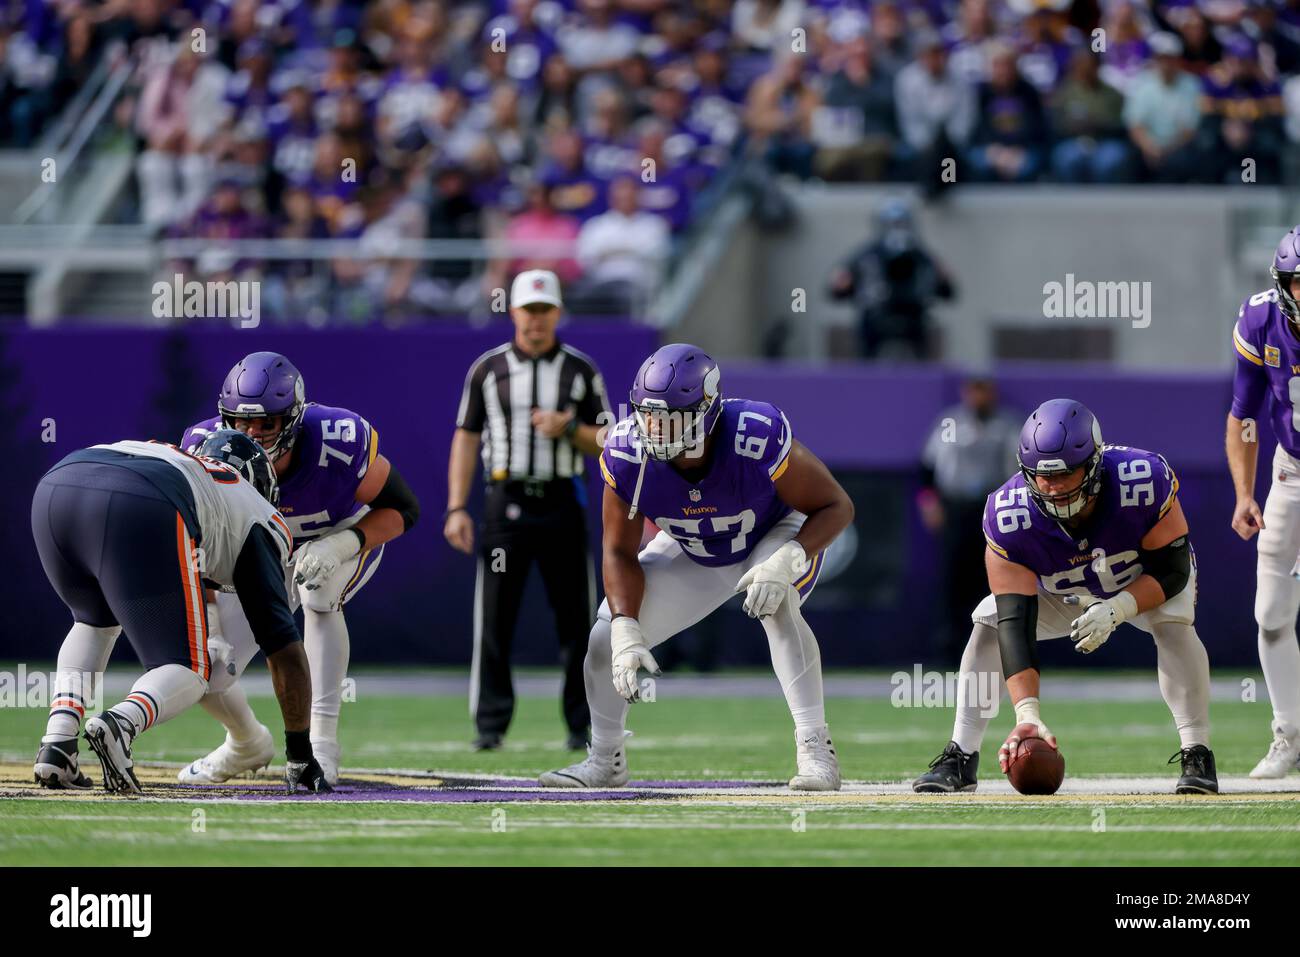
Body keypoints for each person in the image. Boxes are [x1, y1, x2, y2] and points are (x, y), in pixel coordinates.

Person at [539, 343, 855, 791]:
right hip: (696, 549)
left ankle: (816, 751)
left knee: (775, 601)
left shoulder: (753, 434)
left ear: (707, 410)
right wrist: (628, 625)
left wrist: (788, 557)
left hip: (773, 532)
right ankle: (605, 758)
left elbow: (835, 505)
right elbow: (618, 552)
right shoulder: (628, 453)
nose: (656, 428)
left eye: (670, 418)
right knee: (605, 637)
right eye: (649, 415)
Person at [912, 399, 1217, 795]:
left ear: (1094, 463)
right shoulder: (1009, 515)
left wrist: (1118, 608)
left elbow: (1172, 571)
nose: (1052, 487)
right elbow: (1015, 620)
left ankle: (1197, 751)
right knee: (987, 625)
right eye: (1041, 476)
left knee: (1174, 627)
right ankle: (962, 755)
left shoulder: (1143, 479)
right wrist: (1027, 714)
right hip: (1065, 589)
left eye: (1065, 474)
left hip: (1141, 580)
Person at [31, 431, 330, 794]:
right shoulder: (258, 513)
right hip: (146, 497)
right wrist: (300, 753)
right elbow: (284, 649)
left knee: (93, 622)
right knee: (190, 668)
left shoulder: (185, 466)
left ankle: (58, 743)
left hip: (60, 482)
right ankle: (121, 723)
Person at [176, 352, 420, 786]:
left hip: (339, 539)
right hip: (263, 553)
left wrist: (341, 543)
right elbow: (201, 545)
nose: (251, 434)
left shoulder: (338, 441)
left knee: (319, 591)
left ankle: (322, 743)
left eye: (266, 423)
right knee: (203, 666)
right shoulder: (206, 449)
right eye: (240, 422)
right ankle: (244, 742)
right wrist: (211, 621)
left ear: (291, 418)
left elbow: (403, 509)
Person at [446, 269, 610, 750]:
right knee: (494, 618)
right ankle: (489, 726)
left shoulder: (581, 370)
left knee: (577, 621)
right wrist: (457, 506)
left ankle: (583, 725)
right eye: (528, 310)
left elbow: (608, 440)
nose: (536, 320)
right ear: (513, 311)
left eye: (545, 310)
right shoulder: (487, 368)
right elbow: (466, 437)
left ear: (557, 312)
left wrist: (569, 428)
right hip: (506, 502)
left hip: (562, 500)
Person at [1225, 225, 1300, 777]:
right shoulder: (1260, 319)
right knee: (1271, 613)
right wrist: (1244, 494)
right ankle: (1290, 734)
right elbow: (1244, 416)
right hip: (1292, 472)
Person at [918, 378, 1021, 664]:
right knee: (952, 580)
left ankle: (994, 653)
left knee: (992, 578)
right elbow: (927, 467)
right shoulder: (950, 423)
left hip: (991, 509)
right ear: (966, 393)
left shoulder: (1006, 425)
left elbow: (1018, 470)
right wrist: (929, 503)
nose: (979, 397)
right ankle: (949, 652)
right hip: (955, 507)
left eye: (984, 390)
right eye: (974, 390)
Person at [828, 200, 956, 359]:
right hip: (876, 316)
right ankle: (865, 376)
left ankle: (923, 377)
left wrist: (943, 279)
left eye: (901, 224)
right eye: (892, 224)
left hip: (913, 316)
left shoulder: (921, 255)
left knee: (923, 337)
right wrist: (842, 284)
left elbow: (948, 292)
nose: (897, 230)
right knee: (865, 335)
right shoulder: (868, 255)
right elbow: (837, 290)